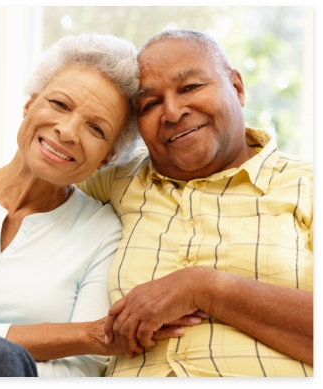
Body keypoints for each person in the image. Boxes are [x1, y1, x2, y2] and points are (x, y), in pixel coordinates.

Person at [0, 32, 189, 377]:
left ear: (107, 158)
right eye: (60, 104)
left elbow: (80, 370)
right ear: (29, 105)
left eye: (96, 128)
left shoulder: (102, 233)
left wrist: (6, 363)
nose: (67, 131)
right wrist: (81, 335)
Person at [77, 29, 313, 377]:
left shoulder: (309, 185)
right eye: (150, 104)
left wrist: (204, 289)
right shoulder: (112, 181)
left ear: (237, 87)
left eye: (189, 88)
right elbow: (25, 186)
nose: (171, 112)